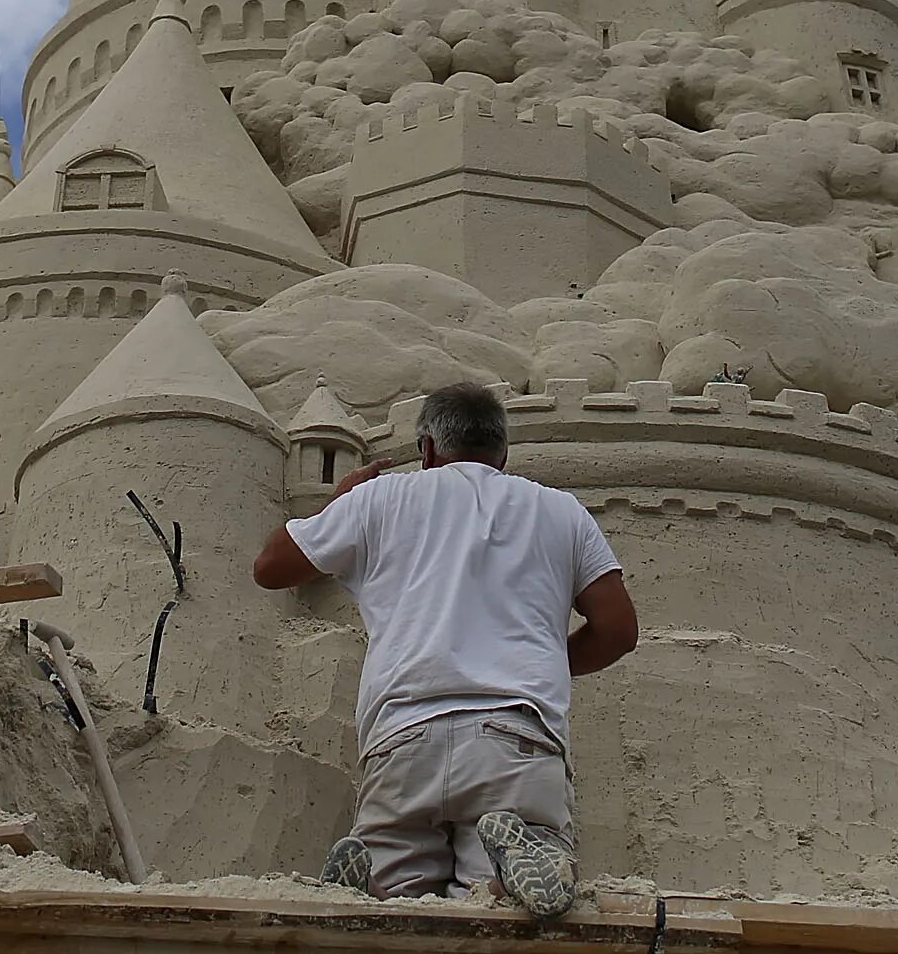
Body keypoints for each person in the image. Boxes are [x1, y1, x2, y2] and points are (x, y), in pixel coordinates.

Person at [252, 381, 637, 918]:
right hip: (516, 734)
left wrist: (340, 500)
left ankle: (375, 887)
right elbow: (618, 629)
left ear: (427, 450)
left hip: (403, 738)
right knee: (505, 925)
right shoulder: (560, 510)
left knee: (399, 918)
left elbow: (270, 567)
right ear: (502, 454)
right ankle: (509, 875)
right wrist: (544, 659)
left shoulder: (380, 498)